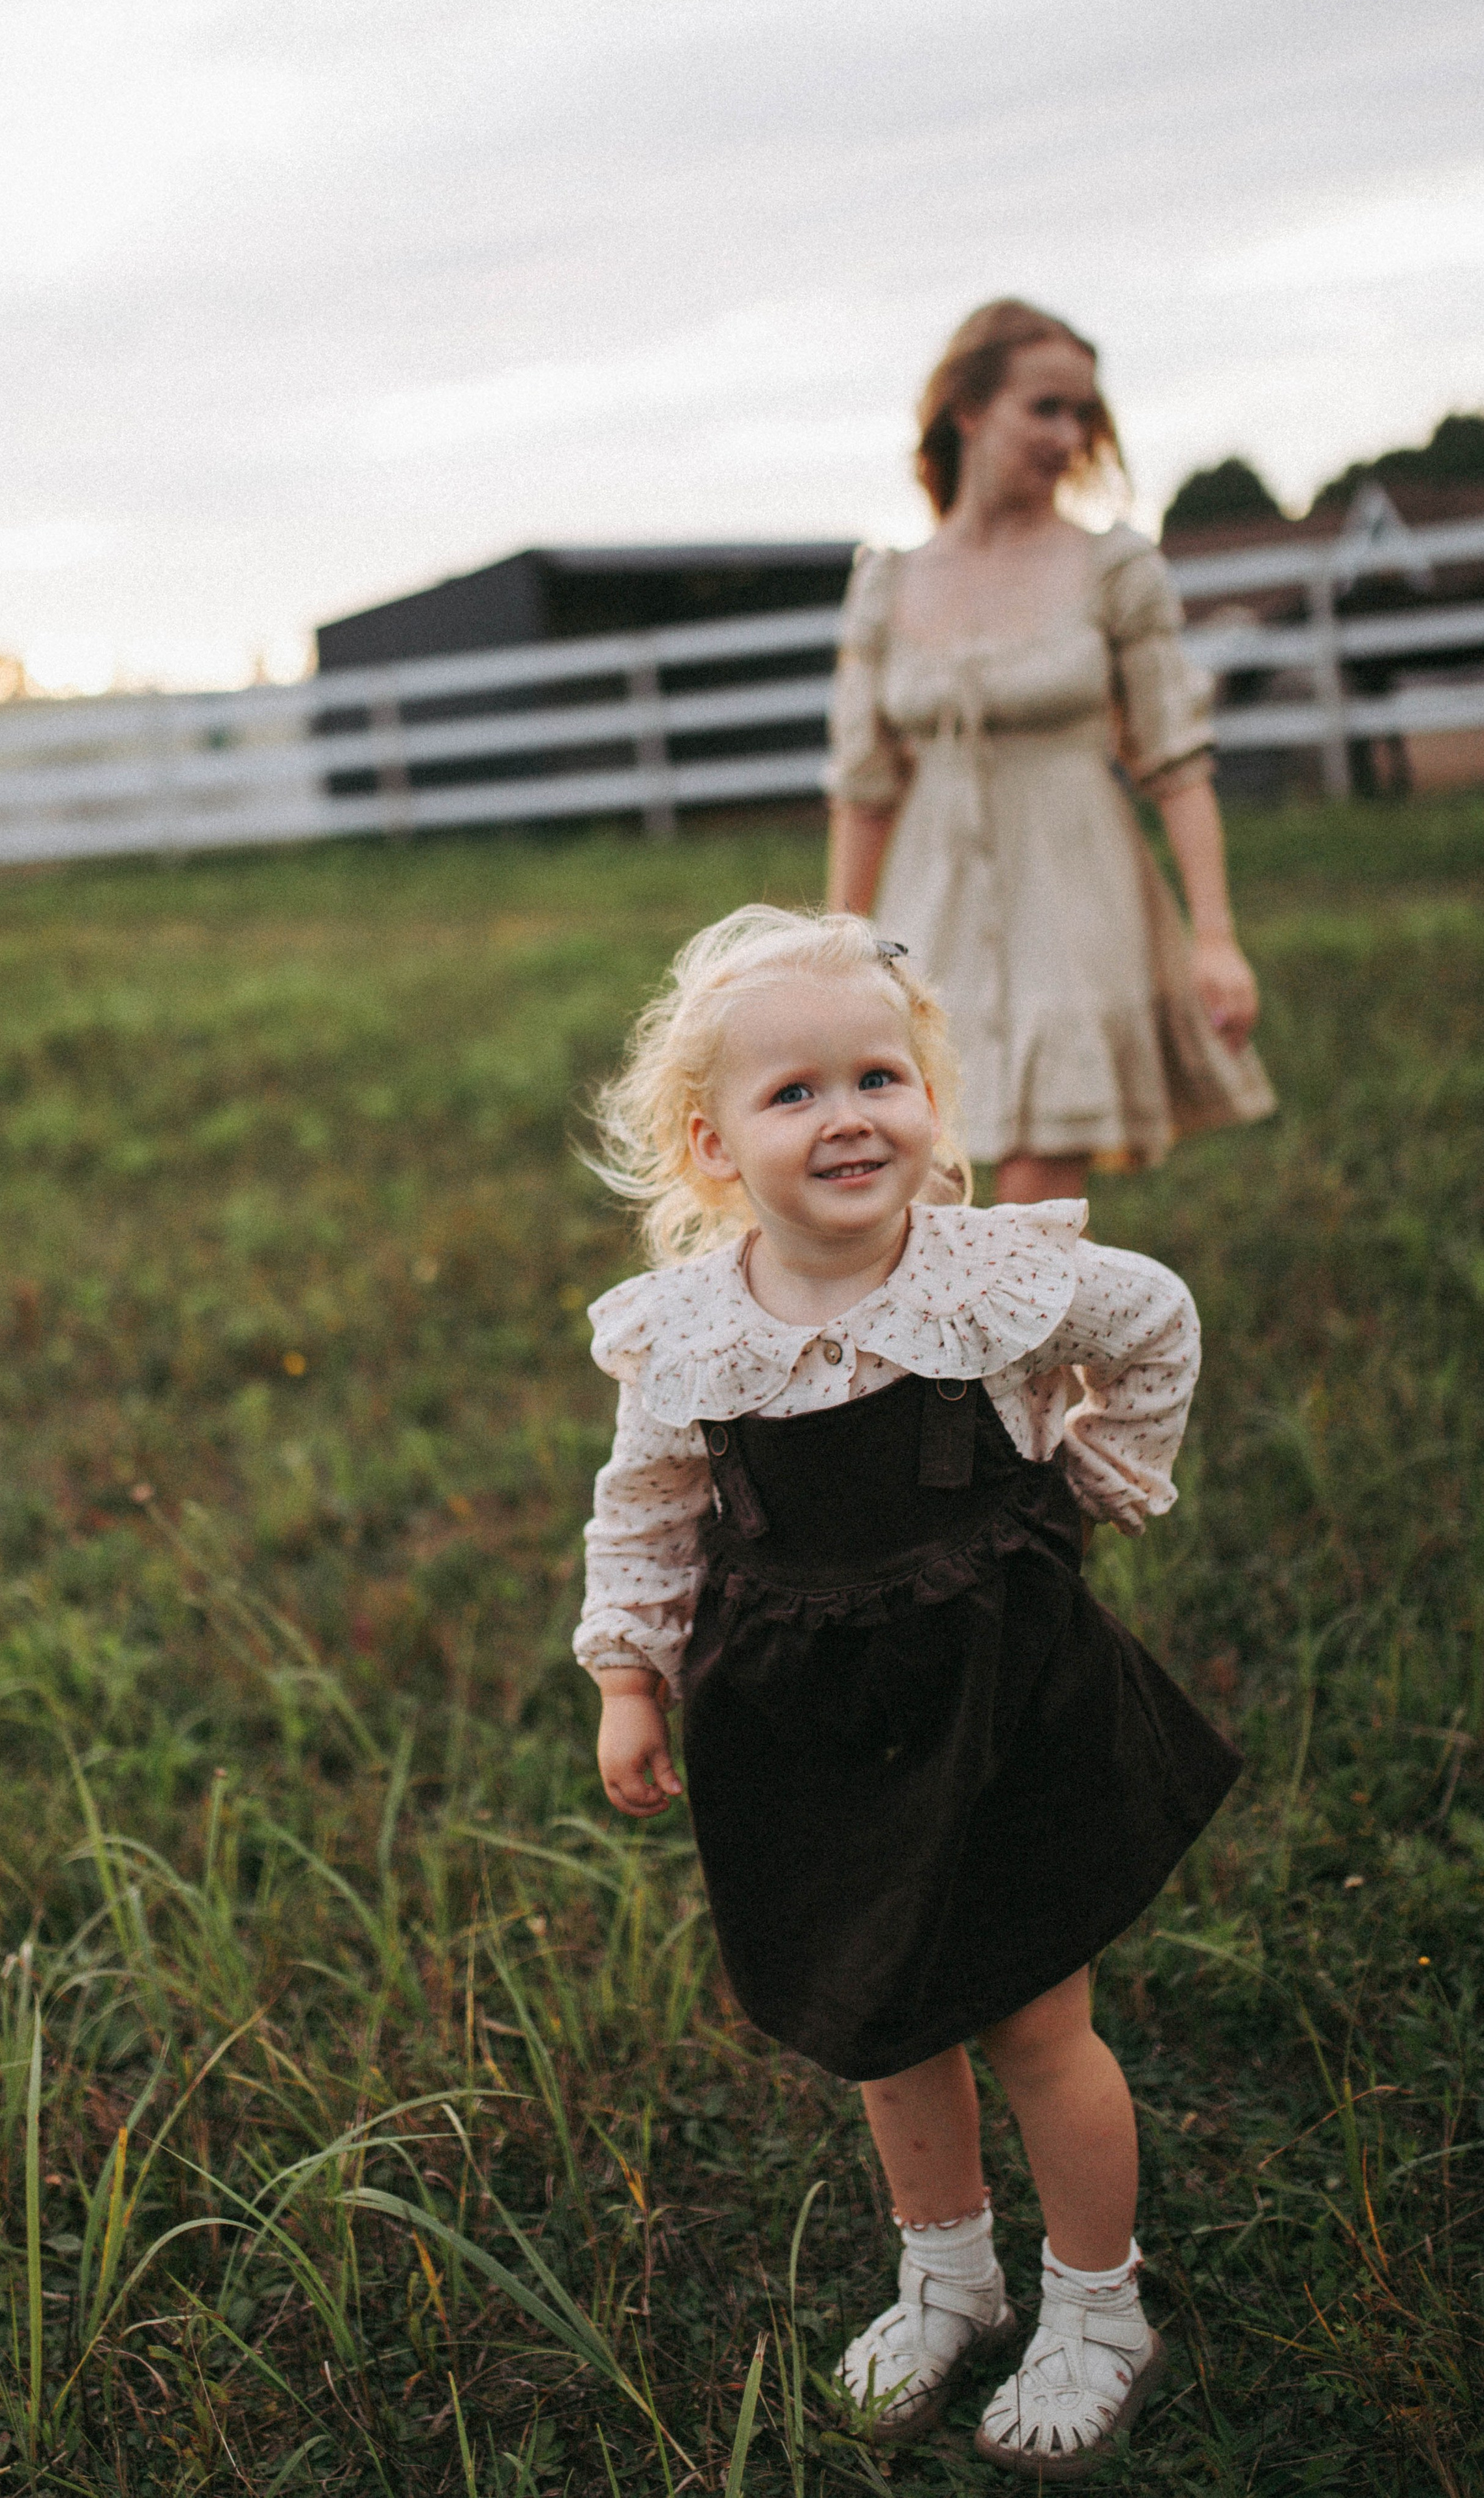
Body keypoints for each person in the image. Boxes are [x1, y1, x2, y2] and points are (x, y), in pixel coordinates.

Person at [575, 906, 1241, 2476]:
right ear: (712, 1143)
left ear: (931, 1103)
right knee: (881, 2019)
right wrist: (625, 1673)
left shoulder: (985, 1283)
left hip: (999, 1708)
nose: (846, 1117)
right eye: (792, 1093)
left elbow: (1153, 1323)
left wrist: (1096, 1474)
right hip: (807, 1733)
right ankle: (947, 2275)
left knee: (1032, 2019)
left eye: (877, 1077)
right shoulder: (687, 1330)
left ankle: (1097, 2305)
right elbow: (645, 1506)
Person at [826, 299, 1275, 1204]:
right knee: (915, 1199)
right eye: (1046, 409)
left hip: (1076, 905)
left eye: (1082, 414)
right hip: (929, 907)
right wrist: (834, 952)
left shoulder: (1115, 568)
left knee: (1031, 1216)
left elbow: (1176, 764)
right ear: (969, 411)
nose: (1069, 437)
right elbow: (865, 791)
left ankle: (1047, 1308)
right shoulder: (886, 585)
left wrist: (1215, 939)